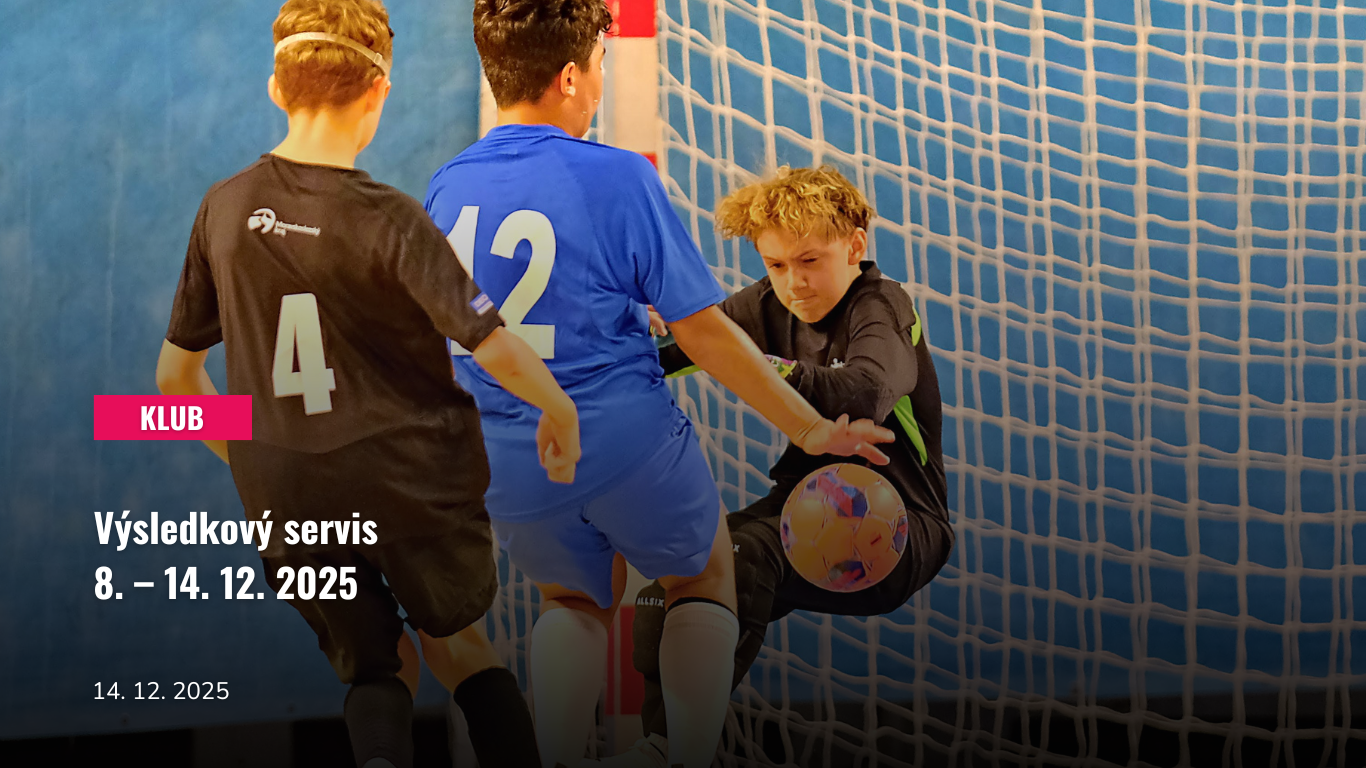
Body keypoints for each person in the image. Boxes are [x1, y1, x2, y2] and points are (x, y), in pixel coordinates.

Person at [423, 3, 895, 768]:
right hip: (620, 438)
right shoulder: (618, 175)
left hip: (509, 454)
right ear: (569, 77)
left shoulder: (446, 188)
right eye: (600, 66)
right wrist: (810, 428)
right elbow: (702, 333)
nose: (601, 83)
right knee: (702, 577)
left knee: (572, 600)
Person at [153, 3, 579, 766]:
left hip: (284, 490)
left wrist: (254, 458)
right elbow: (493, 345)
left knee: (376, 668)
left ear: (276, 88)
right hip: (405, 478)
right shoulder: (392, 219)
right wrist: (558, 409)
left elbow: (173, 383)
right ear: (380, 91)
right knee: (459, 648)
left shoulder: (224, 207)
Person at [602, 166, 955, 767]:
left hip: (899, 525)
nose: (795, 283)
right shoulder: (766, 304)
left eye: (810, 261)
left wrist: (751, 362)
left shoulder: (882, 305)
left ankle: (675, 752)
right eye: (776, 265)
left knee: (741, 559)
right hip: (805, 508)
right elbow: (676, 351)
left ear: (855, 246)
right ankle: (657, 742)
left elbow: (865, 392)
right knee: (678, 576)